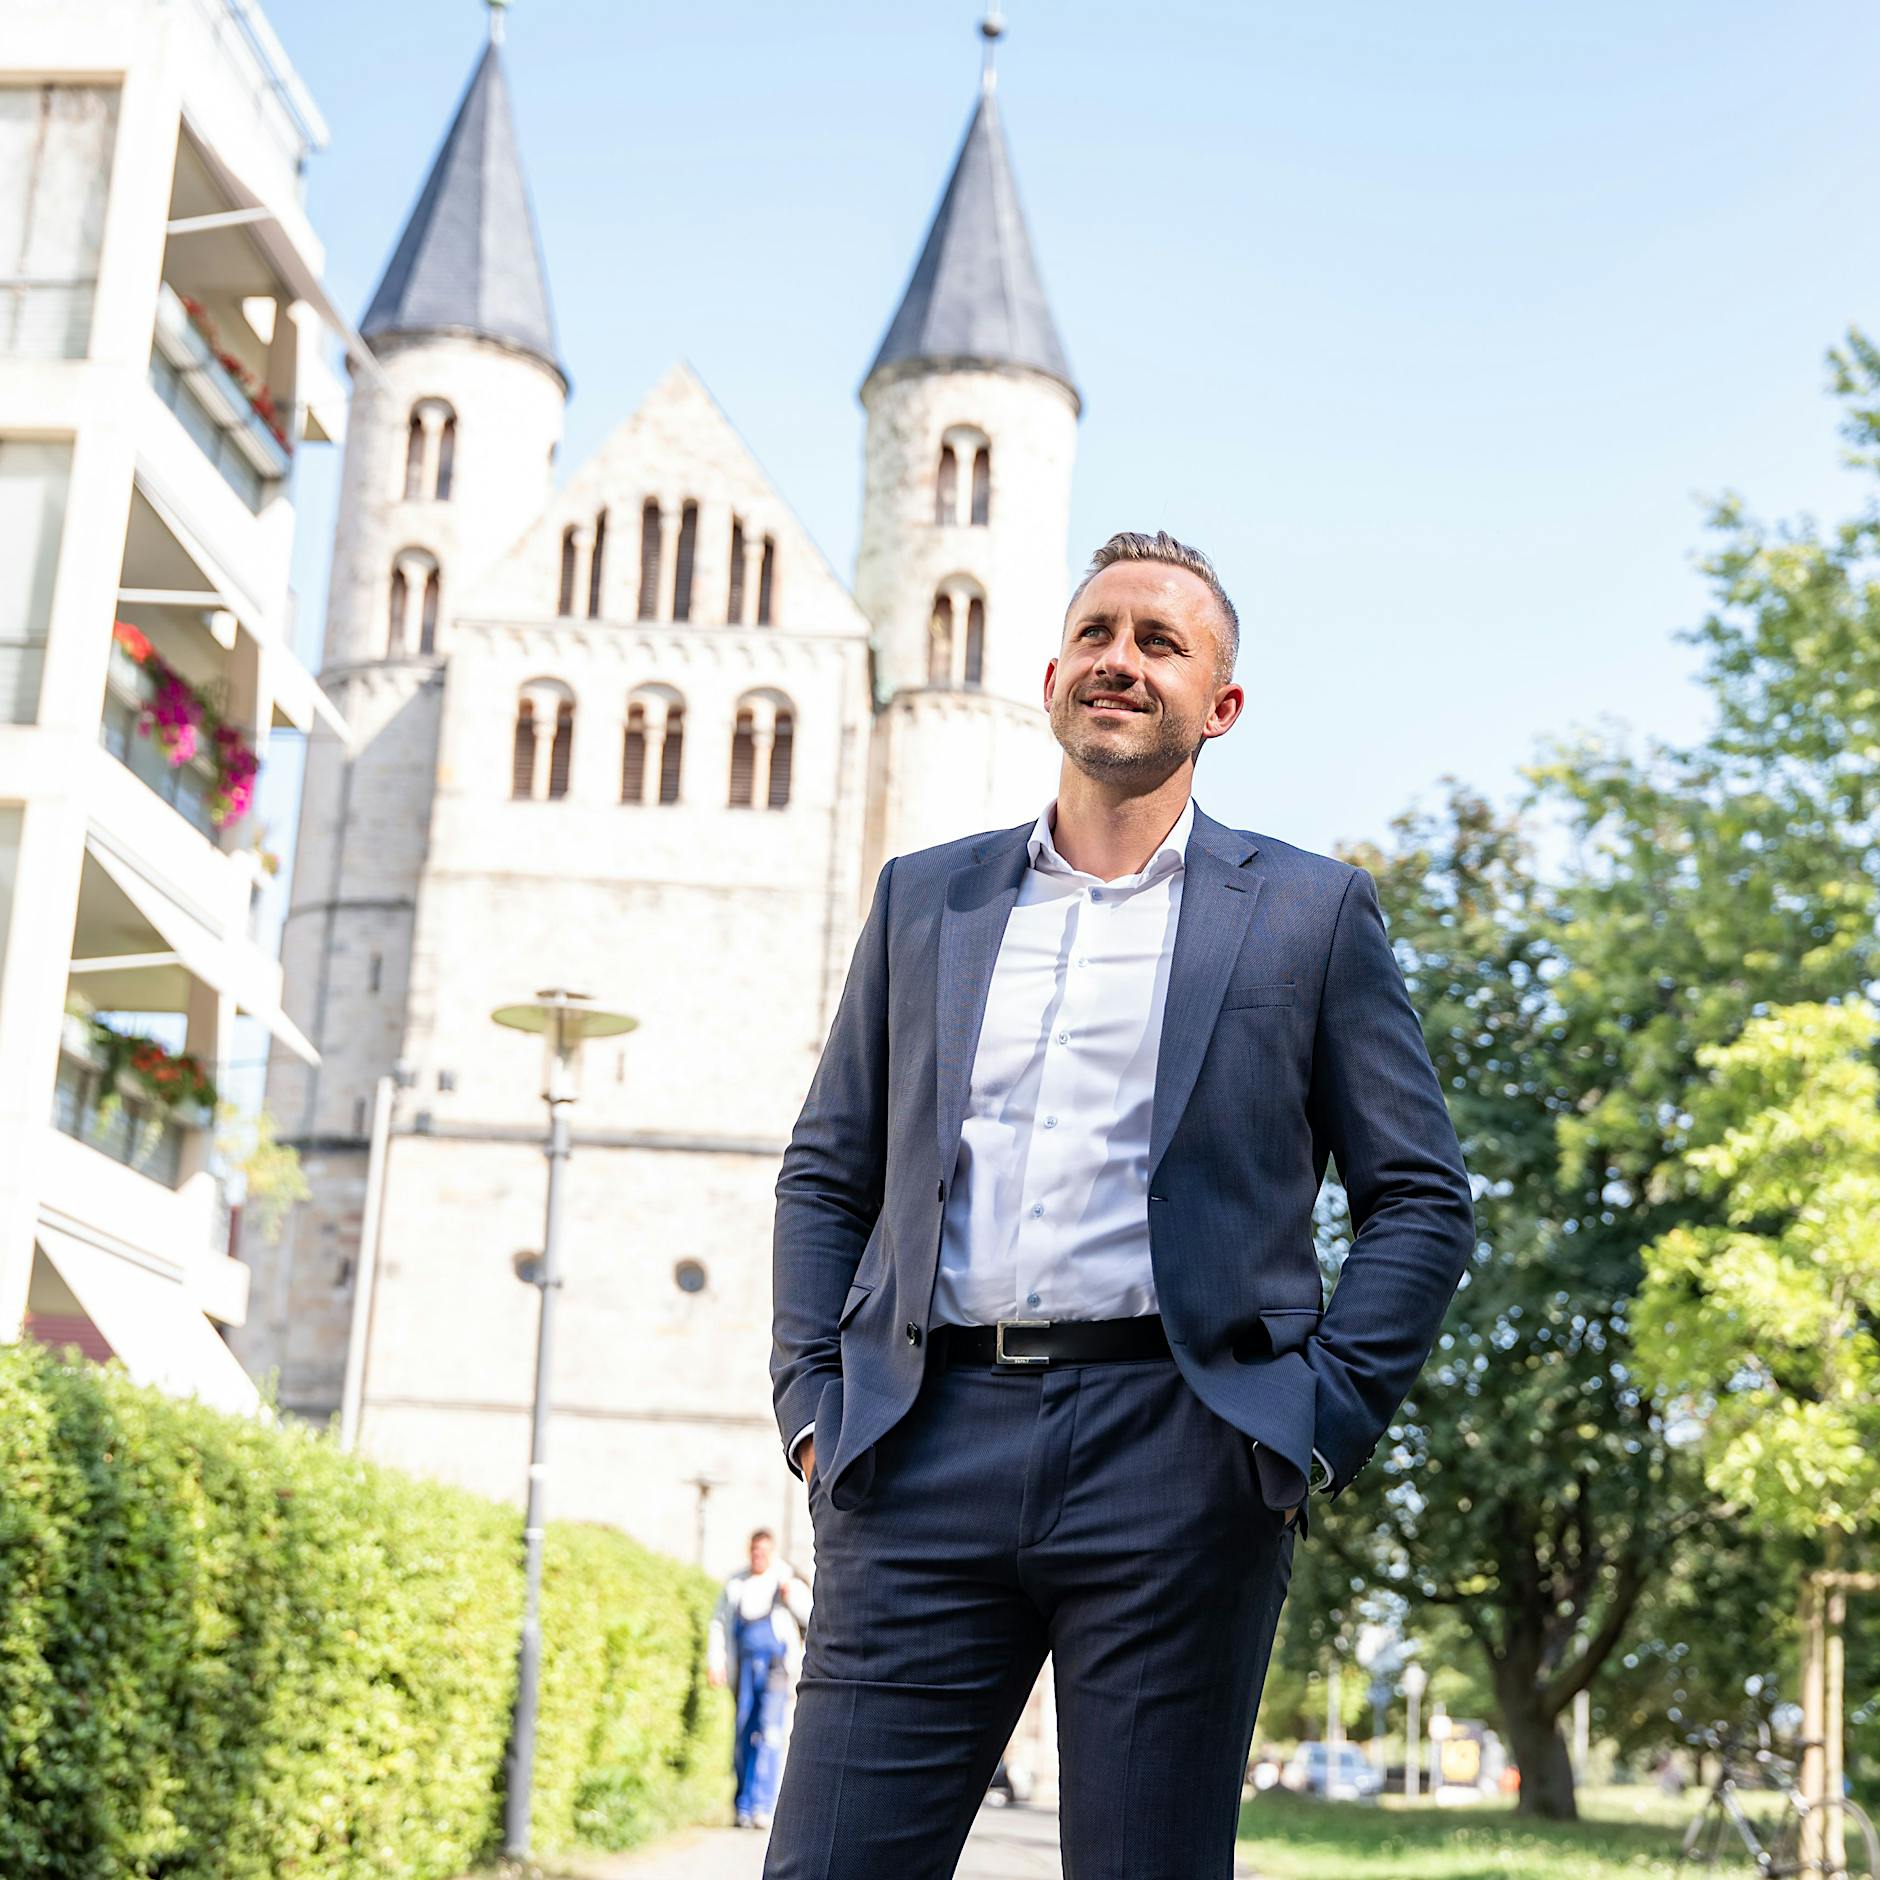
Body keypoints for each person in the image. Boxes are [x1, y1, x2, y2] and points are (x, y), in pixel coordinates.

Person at [766, 531, 1475, 1879]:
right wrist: (814, 1407)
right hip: (917, 1449)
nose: (1120, 661)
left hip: (1182, 1454)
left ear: (1222, 707)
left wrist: (1311, 1428)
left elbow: (1422, 1199)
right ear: (1052, 673)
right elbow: (827, 1168)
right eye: (1099, 633)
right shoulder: (929, 900)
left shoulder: (1307, 918)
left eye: (1161, 643)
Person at [708, 1528, 812, 1830]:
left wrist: (790, 1596)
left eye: (764, 1552)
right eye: (755, 1551)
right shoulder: (736, 1584)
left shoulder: (784, 1580)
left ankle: (763, 1806)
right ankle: (742, 1803)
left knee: (769, 1734)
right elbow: (719, 1625)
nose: (758, 1556)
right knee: (743, 1733)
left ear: (772, 1552)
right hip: (744, 1668)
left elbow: (811, 1616)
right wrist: (716, 1662)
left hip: (775, 1670)